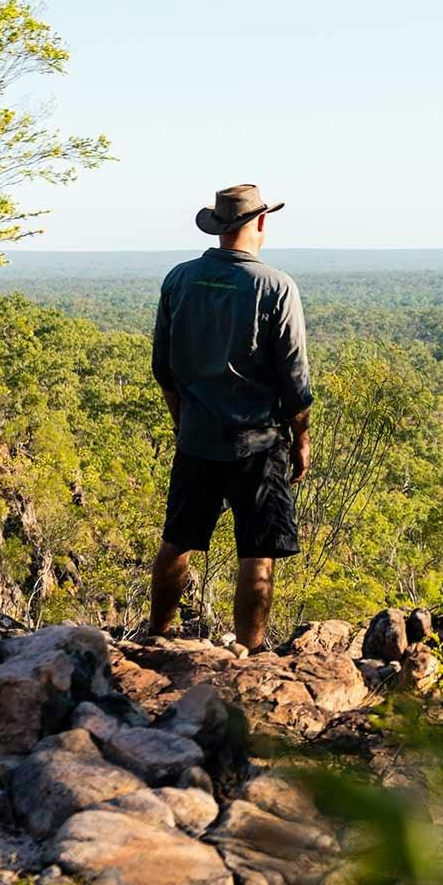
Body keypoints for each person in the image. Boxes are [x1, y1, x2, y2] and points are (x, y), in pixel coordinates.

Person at [146, 183, 313, 651]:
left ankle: (156, 636)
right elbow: (295, 379)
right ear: (260, 221)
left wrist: (181, 423)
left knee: (178, 538)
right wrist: (301, 439)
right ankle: (249, 652)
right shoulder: (275, 286)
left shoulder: (180, 279)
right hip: (259, 442)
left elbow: (163, 369)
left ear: (219, 227)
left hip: (197, 437)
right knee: (258, 550)